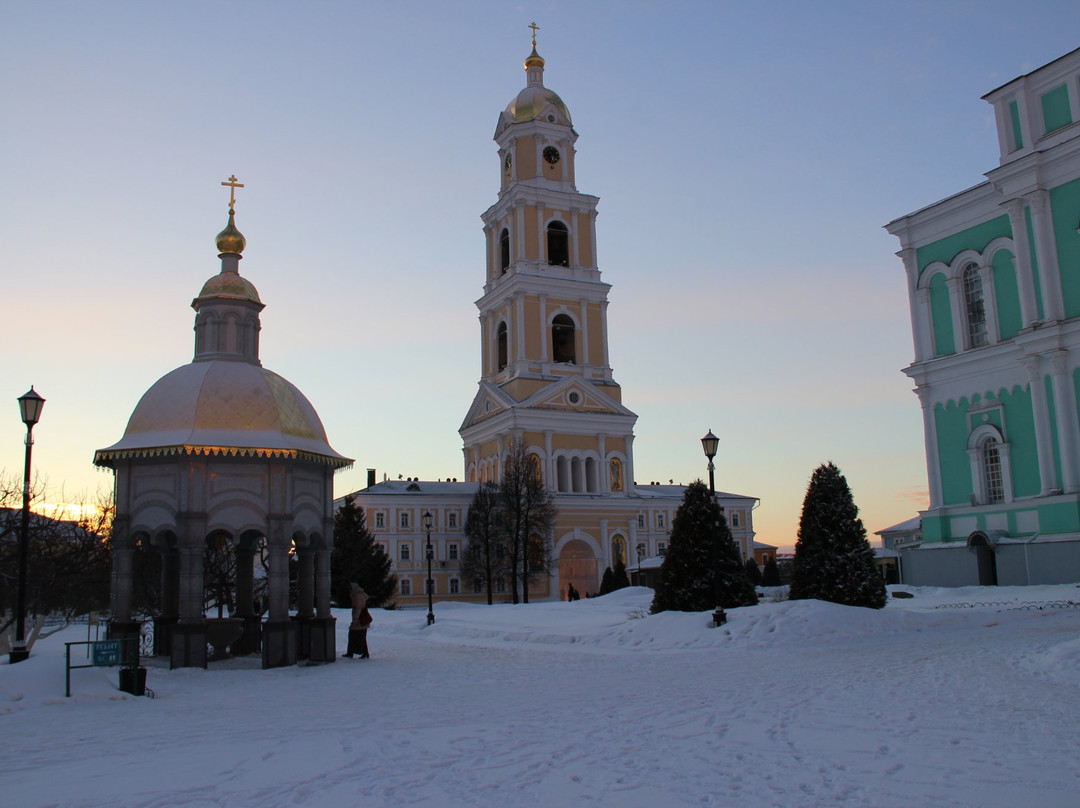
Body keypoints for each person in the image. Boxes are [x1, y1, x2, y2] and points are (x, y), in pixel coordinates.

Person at [343, 583, 369, 658]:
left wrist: (355, 619)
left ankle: (350, 653)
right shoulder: (361, 594)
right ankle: (365, 653)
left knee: (352, 635)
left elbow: (357, 608)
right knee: (362, 636)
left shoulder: (357, 596)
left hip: (359, 620)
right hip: (363, 619)